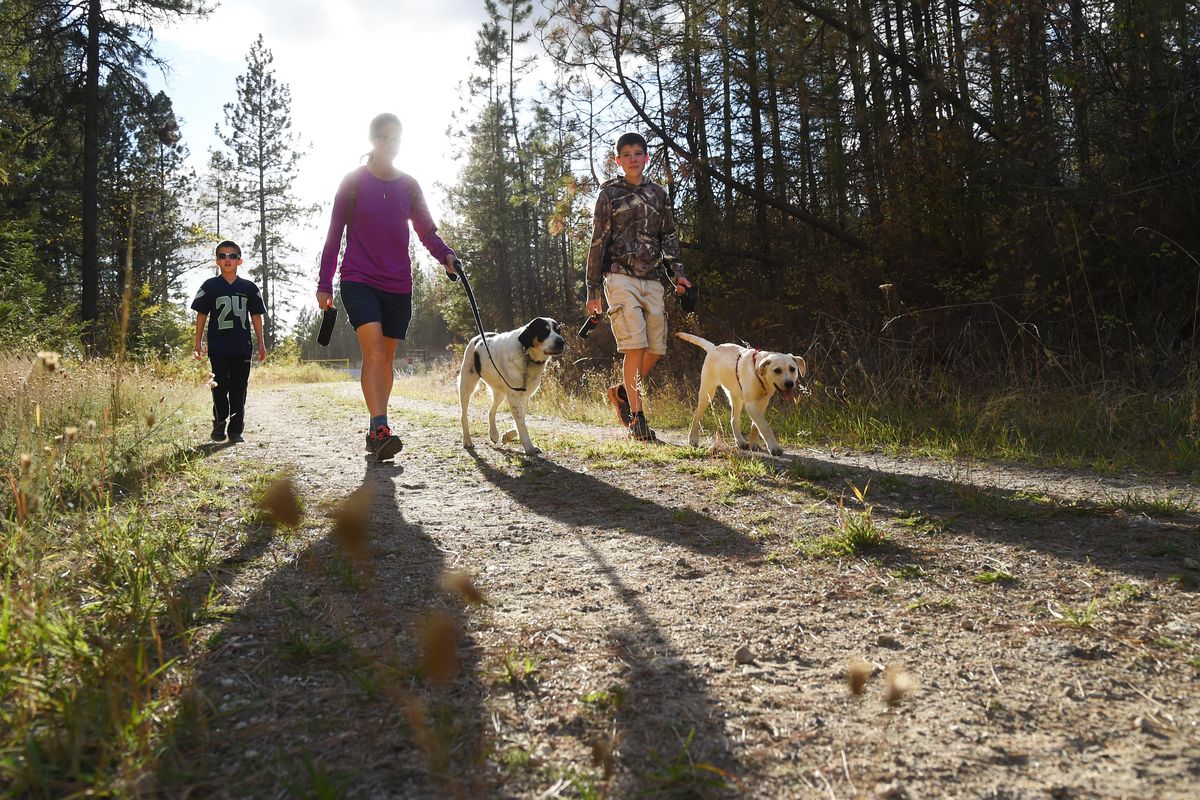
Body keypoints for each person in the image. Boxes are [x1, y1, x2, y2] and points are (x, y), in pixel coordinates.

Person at [317, 113, 458, 460]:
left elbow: (426, 232)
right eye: (383, 136)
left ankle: (375, 428)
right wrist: (324, 282)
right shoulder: (352, 183)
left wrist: (446, 256)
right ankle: (380, 427)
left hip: (398, 283)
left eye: (395, 137)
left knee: (387, 358)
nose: (389, 143)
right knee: (374, 351)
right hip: (358, 278)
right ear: (372, 140)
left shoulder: (409, 185)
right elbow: (334, 235)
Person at [585, 132, 691, 441]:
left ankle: (621, 392)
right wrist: (592, 290)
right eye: (626, 154)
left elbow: (668, 236)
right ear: (617, 161)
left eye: (638, 153)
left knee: (656, 349)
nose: (632, 158)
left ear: (646, 157)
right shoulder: (609, 195)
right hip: (618, 277)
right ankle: (638, 420)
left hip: (652, 279)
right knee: (636, 346)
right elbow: (598, 241)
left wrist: (678, 275)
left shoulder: (658, 193)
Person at [192, 241, 267, 443]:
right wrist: (197, 342)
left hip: (242, 347)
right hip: (218, 347)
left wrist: (261, 342)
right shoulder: (210, 286)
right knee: (220, 387)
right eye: (223, 255)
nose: (227, 259)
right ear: (217, 260)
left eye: (232, 255)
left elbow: (256, 317)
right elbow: (202, 315)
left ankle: (235, 430)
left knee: (239, 389)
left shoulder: (249, 287)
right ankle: (219, 426)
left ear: (239, 260)